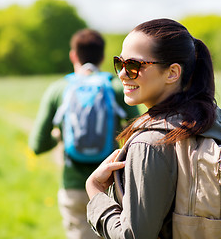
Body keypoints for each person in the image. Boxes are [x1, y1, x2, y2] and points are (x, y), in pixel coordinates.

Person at [85, 19, 221, 238]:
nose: (122, 74)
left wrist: (94, 190)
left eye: (133, 66)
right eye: (119, 63)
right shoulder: (216, 121)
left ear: (172, 73)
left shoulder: (149, 144)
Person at [29, 29, 140, 239]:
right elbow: (138, 130)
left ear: (73, 55)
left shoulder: (59, 89)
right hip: (111, 187)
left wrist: (59, 136)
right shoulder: (117, 87)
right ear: (102, 56)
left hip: (73, 186)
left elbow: (37, 145)